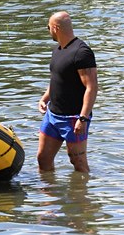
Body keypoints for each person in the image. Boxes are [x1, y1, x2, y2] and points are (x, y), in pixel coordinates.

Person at [37, 11, 98, 173]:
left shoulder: (81, 53)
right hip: (52, 115)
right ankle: (49, 196)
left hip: (73, 118)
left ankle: (82, 197)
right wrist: (45, 98)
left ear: (56, 28)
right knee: (43, 159)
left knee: (78, 162)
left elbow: (91, 87)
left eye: (48, 27)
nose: (47, 30)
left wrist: (83, 118)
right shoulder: (58, 49)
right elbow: (58, 79)